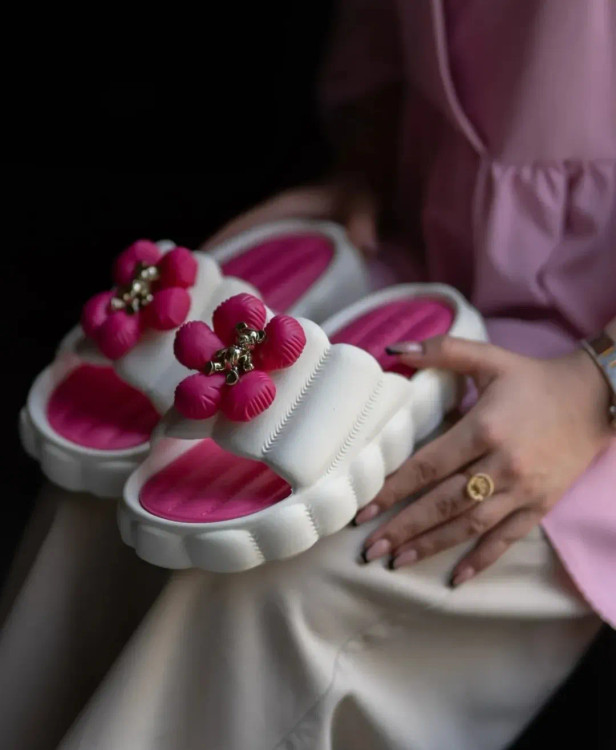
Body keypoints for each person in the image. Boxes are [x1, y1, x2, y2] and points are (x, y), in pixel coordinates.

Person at [1, 2, 614, 749]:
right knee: (90, 507)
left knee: (272, 594)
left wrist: (597, 386)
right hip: (426, 259)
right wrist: (370, 158)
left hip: (587, 388)